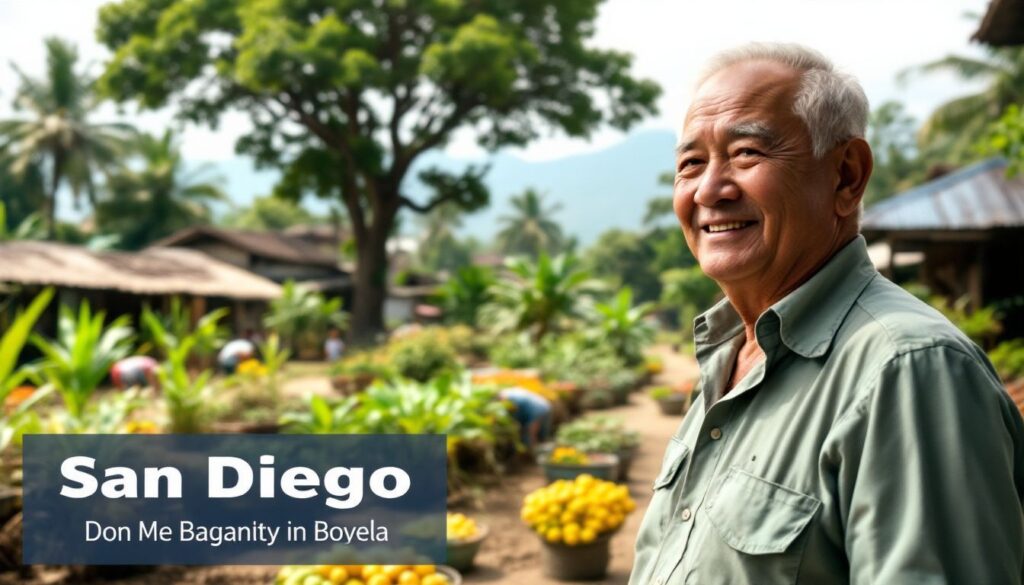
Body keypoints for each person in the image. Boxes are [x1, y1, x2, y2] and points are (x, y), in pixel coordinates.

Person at [630, 43, 1024, 585]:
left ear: (846, 177)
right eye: (691, 163)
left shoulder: (909, 371)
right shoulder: (729, 356)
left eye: (746, 153)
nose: (710, 190)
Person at [499, 387, 552, 453]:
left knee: (531, 433)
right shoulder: (511, 392)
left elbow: (515, 414)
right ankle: (541, 452)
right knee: (542, 435)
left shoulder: (511, 398)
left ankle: (533, 453)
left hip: (538, 410)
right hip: (544, 405)